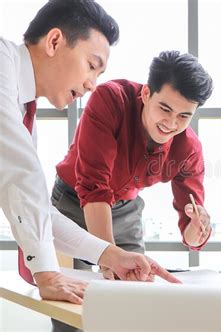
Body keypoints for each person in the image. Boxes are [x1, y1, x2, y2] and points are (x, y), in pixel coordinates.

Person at [0, 0, 180, 307]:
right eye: (91, 65)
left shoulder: (23, 111)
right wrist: (47, 274)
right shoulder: (2, 62)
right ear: (54, 41)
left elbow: (39, 208)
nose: (92, 84)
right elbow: (21, 175)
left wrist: (111, 255)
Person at [52, 50, 214, 280]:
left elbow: (191, 233)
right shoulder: (110, 99)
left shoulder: (189, 149)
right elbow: (93, 185)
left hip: (126, 210)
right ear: (146, 93)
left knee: (133, 294)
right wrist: (109, 261)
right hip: (72, 202)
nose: (171, 123)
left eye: (183, 116)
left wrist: (197, 229)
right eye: (165, 109)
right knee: (69, 300)